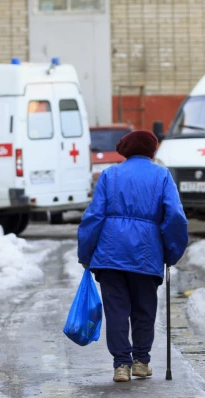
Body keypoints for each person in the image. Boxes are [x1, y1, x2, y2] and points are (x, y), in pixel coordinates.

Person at [77, 130, 188, 383]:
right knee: (144, 309)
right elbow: (175, 217)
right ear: (152, 151)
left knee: (116, 310)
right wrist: (171, 252)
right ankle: (141, 361)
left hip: (110, 254)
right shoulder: (162, 175)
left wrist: (86, 253)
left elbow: (93, 217)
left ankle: (121, 366)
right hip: (147, 255)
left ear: (125, 150)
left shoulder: (110, 175)